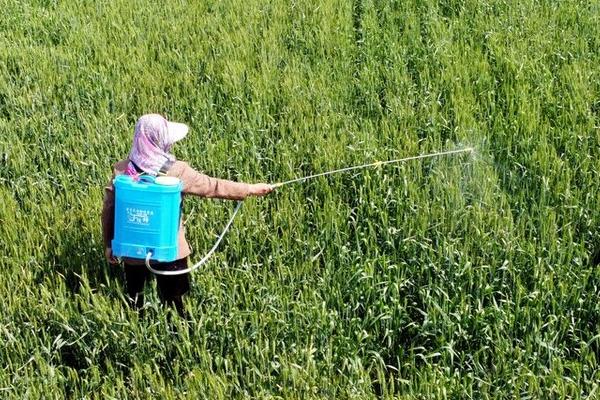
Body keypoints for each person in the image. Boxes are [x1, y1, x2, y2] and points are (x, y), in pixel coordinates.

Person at [101, 114, 273, 317]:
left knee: (134, 299)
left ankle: (138, 329)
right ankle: (179, 335)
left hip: (133, 252)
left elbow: (108, 210)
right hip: (170, 252)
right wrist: (250, 189)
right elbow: (213, 186)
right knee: (176, 302)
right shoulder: (176, 171)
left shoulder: (122, 171)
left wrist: (109, 244)